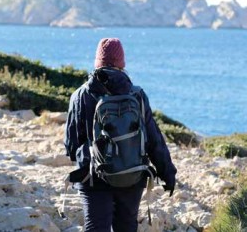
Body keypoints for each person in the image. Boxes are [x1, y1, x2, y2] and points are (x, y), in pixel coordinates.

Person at [63, 38, 177, 232]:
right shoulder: (137, 94)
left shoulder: (80, 95)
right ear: (121, 63)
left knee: (96, 228)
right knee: (126, 226)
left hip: (93, 176)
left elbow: (71, 145)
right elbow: (154, 140)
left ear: (97, 62)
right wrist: (168, 173)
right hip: (131, 174)